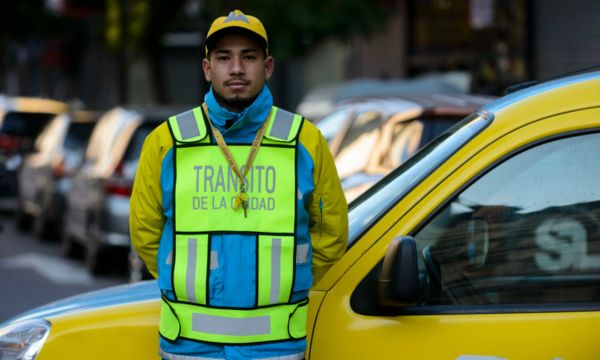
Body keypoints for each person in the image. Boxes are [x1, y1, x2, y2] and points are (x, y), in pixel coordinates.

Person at [130, 9, 348, 360]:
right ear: (207, 68)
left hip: (275, 346)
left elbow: (331, 235)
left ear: (268, 67)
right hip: (189, 346)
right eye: (223, 57)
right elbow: (145, 232)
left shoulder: (305, 141)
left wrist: (292, 279)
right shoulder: (165, 142)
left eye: (248, 57)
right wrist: (184, 279)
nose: (236, 68)